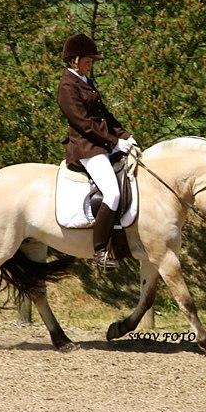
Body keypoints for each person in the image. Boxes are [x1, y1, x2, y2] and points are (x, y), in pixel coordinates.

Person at [57, 33, 137, 270]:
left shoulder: (84, 81)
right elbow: (84, 123)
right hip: (86, 148)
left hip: (101, 144)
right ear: (75, 60)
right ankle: (100, 250)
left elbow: (105, 116)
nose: (91, 65)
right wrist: (114, 143)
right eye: (88, 61)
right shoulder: (67, 87)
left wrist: (126, 136)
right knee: (112, 193)